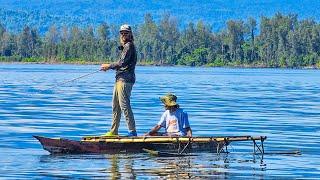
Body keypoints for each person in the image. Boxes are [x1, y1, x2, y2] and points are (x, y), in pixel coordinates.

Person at [100, 24, 137, 137]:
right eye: (121, 33)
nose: (123, 34)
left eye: (126, 32)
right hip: (119, 79)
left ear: (130, 33)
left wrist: (108, 66)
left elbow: (122, 63)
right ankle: (114, 131)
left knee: (124, 105)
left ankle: (132, 131)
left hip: (125, 79)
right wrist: (110, 67)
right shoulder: (125, 46)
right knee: (115, 105)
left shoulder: (129, 46)